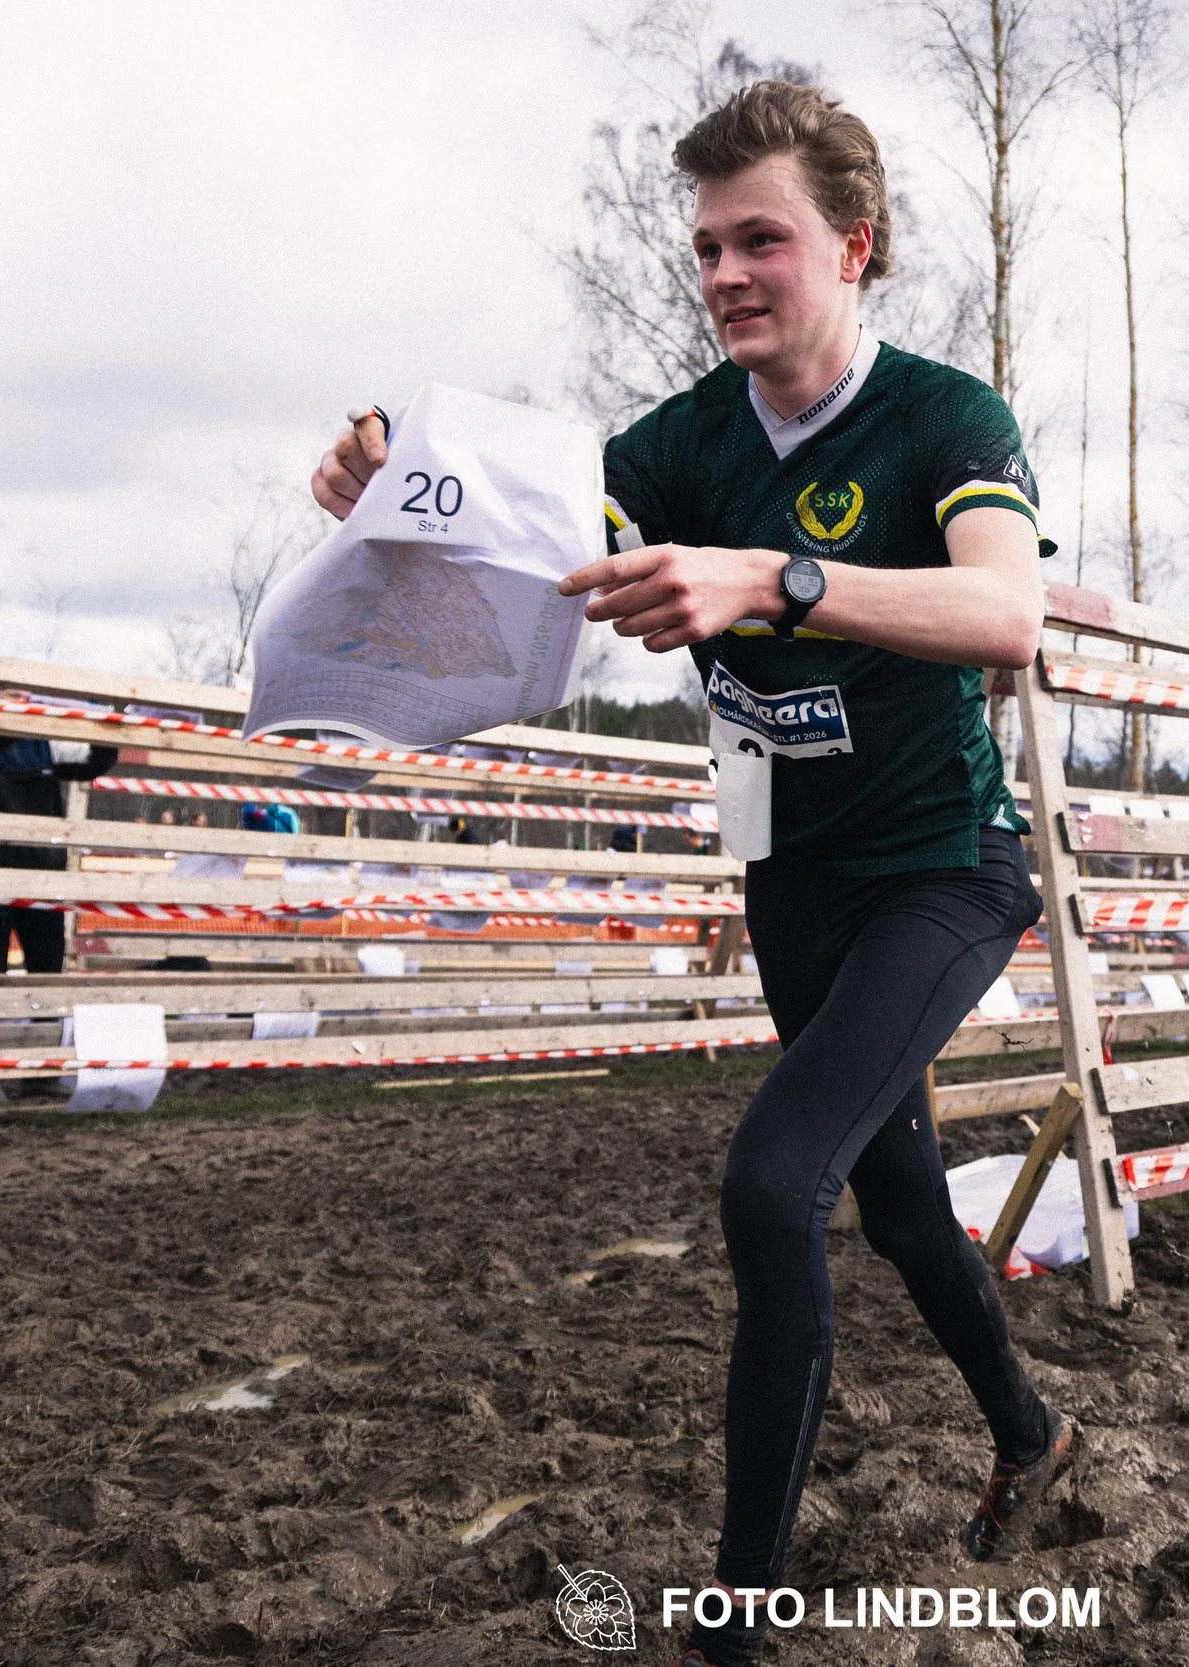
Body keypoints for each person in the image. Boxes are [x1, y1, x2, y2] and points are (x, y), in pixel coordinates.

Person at [316, 81, 1072, 1667]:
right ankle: (1029, 1427)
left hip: (943, 867)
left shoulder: (945, 418)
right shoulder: (681, 440)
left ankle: (732, 1626)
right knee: (902, 1204)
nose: (726, 273)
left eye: (764, 240)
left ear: (853, 247)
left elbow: (1007, 617)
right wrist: (390, 481)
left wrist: (776, 578)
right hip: (790, 878)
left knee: (767, 1182)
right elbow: (526, 528)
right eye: (708, 246)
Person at [0, 719, 117, 974]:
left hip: (40, 877)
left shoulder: (45, 746)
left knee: (47, 967)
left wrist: (107, 728)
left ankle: (47, 1016)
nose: (21, 700)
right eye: (13, 693)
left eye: (25, 695)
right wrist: (13, 722)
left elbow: (94, 762)